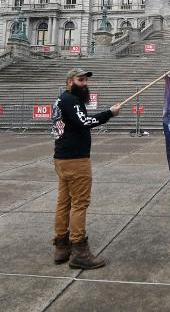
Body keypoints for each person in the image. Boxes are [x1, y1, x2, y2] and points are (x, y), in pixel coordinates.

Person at [51, 68, 120, 269]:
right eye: (80, 80)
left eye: (85, 80)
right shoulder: (71, 100)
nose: (84, 84)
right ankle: (79, 250)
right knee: (80, 203)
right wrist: (109, 113)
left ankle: (61, 245)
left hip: (62, 157)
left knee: (64, 202)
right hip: (75, 159)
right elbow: (84, 122)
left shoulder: (61, 100)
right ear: (69, 82)